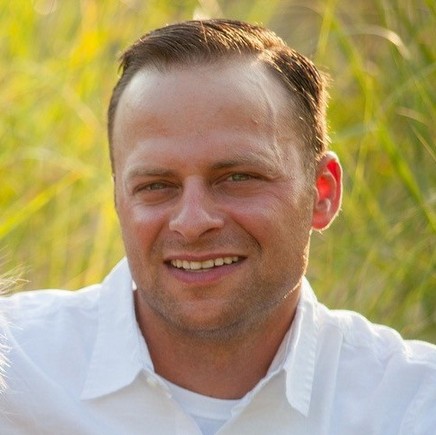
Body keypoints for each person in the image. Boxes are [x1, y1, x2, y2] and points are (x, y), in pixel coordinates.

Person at [1, 19, 435, 435]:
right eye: (156, 186)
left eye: (238, 178)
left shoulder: (411, 406)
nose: (192, 223)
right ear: (119, 200)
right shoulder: (16, 366)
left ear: (322, 193)